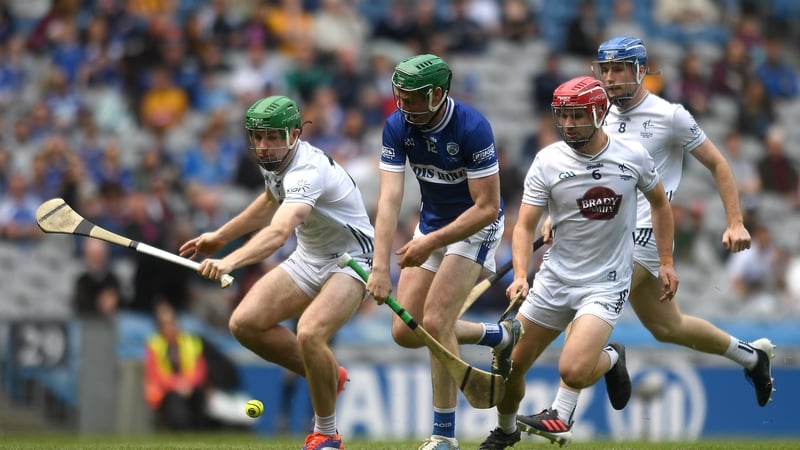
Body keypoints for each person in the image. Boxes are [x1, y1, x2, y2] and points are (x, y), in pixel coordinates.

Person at [510, 36, 777, 447]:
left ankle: (562, 411)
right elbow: (579, 171)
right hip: (601, 229)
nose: (611, 77)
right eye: (605, 69)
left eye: (620, 69)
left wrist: (735, 221)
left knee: (588, 298)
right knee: (668, 327)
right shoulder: (595, 112)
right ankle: (751, 357)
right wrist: (552, 214)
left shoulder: (670, 116)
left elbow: (718, 164)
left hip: (644, 237)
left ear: (640, 70)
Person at [478, 75, 678, 449]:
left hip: (605, 283)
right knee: (508, 366)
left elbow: (660, 203)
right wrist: (521, 274)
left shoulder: (632, 155)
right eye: (563, 116)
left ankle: (599, 368)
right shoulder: (548, 161)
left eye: (578, 116)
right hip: (554, 281)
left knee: (572, 368)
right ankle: (506, 430)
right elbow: (524, 227)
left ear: (600, 112)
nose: (568, 124)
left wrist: (665, 260)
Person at [179, 95, 374, 450]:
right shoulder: (275, 161)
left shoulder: (307, 170)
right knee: (245, 323)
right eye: (257, 137)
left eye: (271, 137)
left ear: (295, 134)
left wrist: (229, 261)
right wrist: (220, 236)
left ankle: (327, 435)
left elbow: (278, 232)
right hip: (310, 256)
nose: (263, 146)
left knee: (310, 332)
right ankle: (330, 374)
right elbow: (270, 200)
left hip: (352, 261)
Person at [365, 53, 521, 450]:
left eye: (413, 97)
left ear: (437, 93)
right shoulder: (397, 126)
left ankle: (443, 436)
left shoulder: (472, 127)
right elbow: (389, 201)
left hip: (476, 228)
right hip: (431, 226)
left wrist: (430, 243)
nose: (404, 105)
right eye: (399, 95)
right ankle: (498, 335)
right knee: (405, 331)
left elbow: (486, 207)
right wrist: (379, 267)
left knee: (435, 322)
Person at [144, 302, 211, 430]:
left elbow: (200, 370)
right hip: (167, 390)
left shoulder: (191, 341)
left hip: (190, 387)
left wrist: (187, 384)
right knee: (176, 408)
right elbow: (155, 375)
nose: (169, 327)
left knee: (198, 396)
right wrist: (176, 385)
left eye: (171, 322)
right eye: (165, 324)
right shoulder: (154, 344)